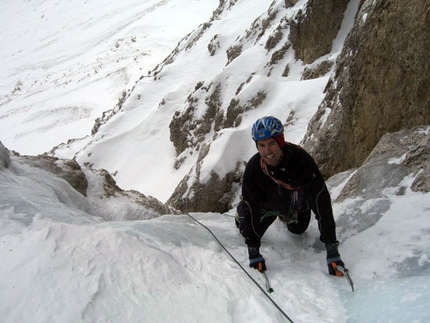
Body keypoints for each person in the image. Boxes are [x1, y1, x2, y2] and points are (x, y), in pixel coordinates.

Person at [236, 116, 346, 276]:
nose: (267, 151)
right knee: (247, 229)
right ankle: (243, 215)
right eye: (261, 145)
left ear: (280, 142)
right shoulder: (254, 168)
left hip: (294, 203)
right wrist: (253, 249)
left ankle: (286, 213)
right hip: (267, 206)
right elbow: (251, 205)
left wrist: (331, 247)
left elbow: (320, 200)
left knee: (298, 229)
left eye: (272, 144)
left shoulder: (301, 161)